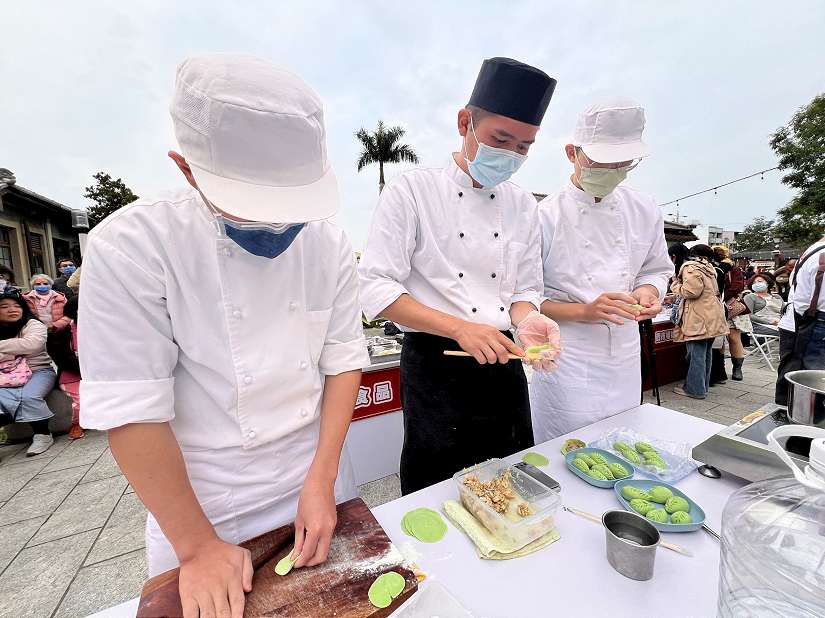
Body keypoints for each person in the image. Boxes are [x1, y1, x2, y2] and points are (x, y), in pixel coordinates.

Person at [79, 55, 370, 617]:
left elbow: (342, 361)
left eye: (291, 207)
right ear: (187, 169)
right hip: (203, 497)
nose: (277, 226)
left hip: (314, 470)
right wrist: (196, 546)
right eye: (255, 208)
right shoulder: (134, 246)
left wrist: (323, 478)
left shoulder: (328, 243)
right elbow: (132, 409)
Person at [359, 57, 561, 495]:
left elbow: (525, 289)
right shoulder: (412, 190)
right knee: (436, 491)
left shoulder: (524, 205)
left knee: (512, 485)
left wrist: (529, 320)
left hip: (504, 361)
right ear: (464, 122)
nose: (511, 155)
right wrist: (459, 327)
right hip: (436, 364)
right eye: (501, 139)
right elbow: (375, 286)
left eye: (524, 146)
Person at [529, 98, 673, 442]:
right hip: (567, 356)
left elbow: (656, 269)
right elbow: (527, 298)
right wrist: (586, 311)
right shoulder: (544, 216)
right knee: (565, 446)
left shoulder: (643, 208)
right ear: (572, 153)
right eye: (603, 162)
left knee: (623, 440)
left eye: (623, 163)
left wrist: (647, 292)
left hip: (623, 354)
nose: (614, 170)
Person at [0, 287, 57, 455]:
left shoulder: (33, 324)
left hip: (39, 371)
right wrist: (15, 350)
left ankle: (43, 435)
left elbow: (32, 344)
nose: (12, 309)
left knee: (29, 396)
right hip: (4, 375)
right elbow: (24, 345)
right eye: (4, 306)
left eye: (17, 306)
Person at [671, 245, 729, 399]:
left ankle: (695, 389)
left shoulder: (690, 267)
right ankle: (702, 386)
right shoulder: (708, 267)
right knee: (705, 353)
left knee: (696, 354)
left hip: (698, 316)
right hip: (712, 314)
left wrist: (675, 283)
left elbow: (691, 292)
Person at [775, 238, 825, 404]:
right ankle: (799, 411)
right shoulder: (820, 253)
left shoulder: (813, 250)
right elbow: (806, 302)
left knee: (797, 370)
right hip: (811, 320)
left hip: (799, 319)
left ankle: (788, 407)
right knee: (813, 378)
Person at [51, 295, 83, 439]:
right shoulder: (62, 333)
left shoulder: (102, 328)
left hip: (99, 374)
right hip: (72, 376)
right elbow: (62, 358)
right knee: (81, 401)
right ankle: (76, 424)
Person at [714, 245, 746, 381]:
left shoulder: (733, 269)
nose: (719, 255)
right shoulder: (711, 267)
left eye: (721, 253)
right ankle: (719, 370)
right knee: (718, 339)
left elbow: (737, 287)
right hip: (715, 307)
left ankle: (737, 368)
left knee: (734, 338)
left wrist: (720, 298)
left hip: (731, 307)